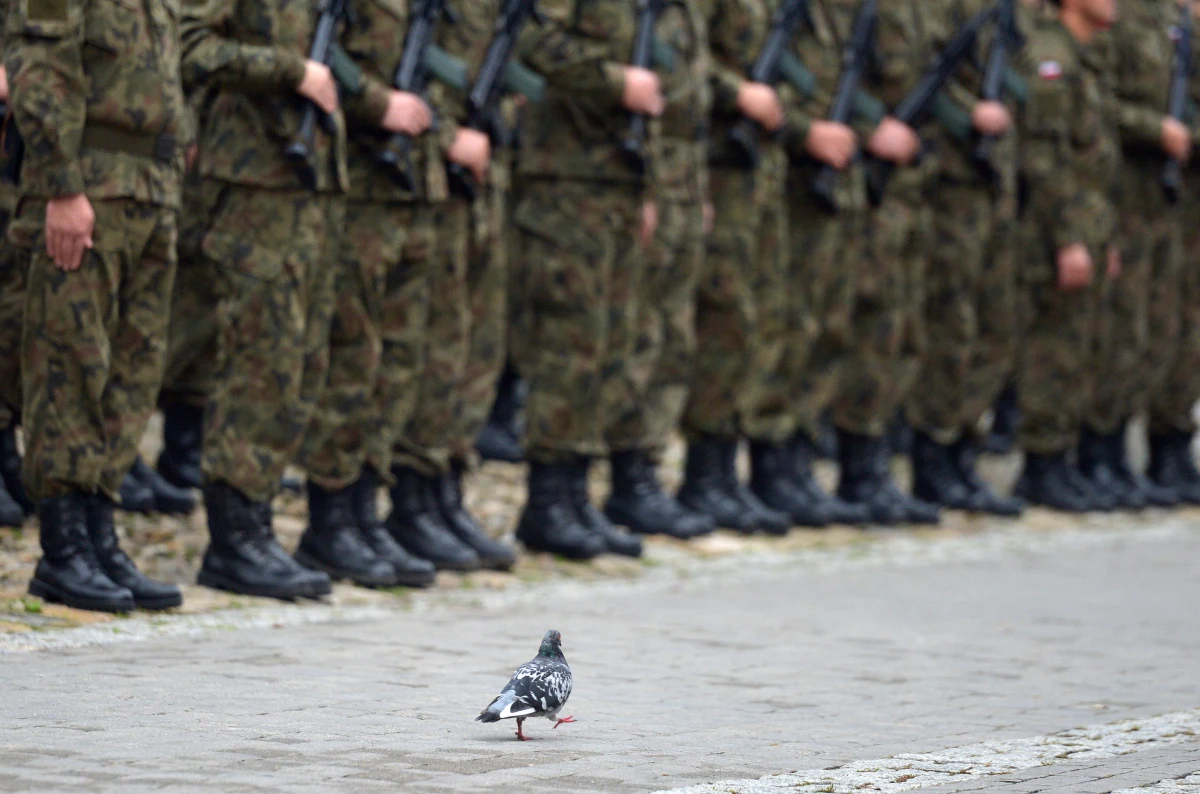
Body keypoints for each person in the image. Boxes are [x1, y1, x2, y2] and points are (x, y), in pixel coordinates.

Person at [8, 0, 187, 611]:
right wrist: (61, 184)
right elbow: (39, 68)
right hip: (89, 188)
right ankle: (63, 549)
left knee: (131, 373)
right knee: (70, 364)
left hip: (150, 189)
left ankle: (100, 534)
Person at [181, 0, 349, 600]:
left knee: (297, 364)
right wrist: (289, 69)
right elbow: (191, 43)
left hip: (308, 182)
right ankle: (232, 540)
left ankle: (256, 526)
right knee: (258, 362)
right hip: (253, 184)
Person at [508, 0, 666, 559]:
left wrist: (644, 184)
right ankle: (547, 501)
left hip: (615, 183)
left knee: (607, 348)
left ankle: (574, 495)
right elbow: (530, 39)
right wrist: (614, 81)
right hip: (564, 184)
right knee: (566, 347)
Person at [379, 0, 517, 573]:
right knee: (431, 348)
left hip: (474, 185)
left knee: (470, 349)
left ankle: (443, 490)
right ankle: (412, 500)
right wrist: (443, 133)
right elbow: (397, 65)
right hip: (423, 176)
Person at [599, 0, 717, 541]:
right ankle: (628, 476)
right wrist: (644, 187)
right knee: (641, 334)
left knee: (673, 334)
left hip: (681, 181)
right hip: (637, 176)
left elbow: (691, 98)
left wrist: (696, 190)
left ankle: (646, 471)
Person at [675, 0, 791, 536]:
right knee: (722, 319)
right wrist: (737, 93)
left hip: (757, 168)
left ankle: (726, 468)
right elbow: (685, 58)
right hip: (718, 164)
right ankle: (704, 471)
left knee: (755, 320)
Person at [905, 0, 1026, 517]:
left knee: (992, 330)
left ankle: (962, 449)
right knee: (950, 328)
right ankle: (934, 456)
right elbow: (920, 75)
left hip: (991, 185)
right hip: (950, 183)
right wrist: (965, 115)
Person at [830, 0, 944, 526]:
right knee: (865, 326)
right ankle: (853, 468)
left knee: (898, 330)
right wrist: (872, 123)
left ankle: (873, 465)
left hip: (906, 186)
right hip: (860, 176)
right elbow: (831, 73)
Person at [1013, 0, 1122, 512]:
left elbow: (1097, 160)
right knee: (1052, 346)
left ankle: (1062, 458)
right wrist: (1069, 237)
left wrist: (1106, 236)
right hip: (1054, 228)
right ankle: (1041, 465)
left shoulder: (1087, 57)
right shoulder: (1050, 57)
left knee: (1079, 344)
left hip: (1089, 224)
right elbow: (1046, 158)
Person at [1080, 0, 1187, 510]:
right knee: (1121, 327)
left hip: (1172, 199)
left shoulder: (1174, 20)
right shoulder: (1118, 20)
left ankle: (1167, 448)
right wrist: (1154, 128)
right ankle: (1100, 448)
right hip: (1123, 192)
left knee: (1165, 331)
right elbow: (1097, 102)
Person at [1149, 0, 1200, 503]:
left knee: (1185, 333)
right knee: (1154, 328)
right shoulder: (1148, 26)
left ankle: (1175, 442)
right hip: (1148, 200)